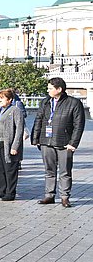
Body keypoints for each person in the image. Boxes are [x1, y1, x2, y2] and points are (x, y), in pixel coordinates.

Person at [31, 77, 85, 207]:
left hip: (64, 142)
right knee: (49, 170)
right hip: (46, 141)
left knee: (65, 171)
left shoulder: (73, 103)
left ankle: (64, 197)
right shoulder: (45, 102)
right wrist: (36, 139)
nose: (47, 90)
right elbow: (38, 120)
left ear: (59, 89)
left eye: (50, 88)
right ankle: (49, 195)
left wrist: (73, 143)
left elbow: (79, 124)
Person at [0, 89, 25, 201]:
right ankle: (1, 191)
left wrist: (15, 146)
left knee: (9, 169)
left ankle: (10, 193)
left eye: (2, 98)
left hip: (9, 144)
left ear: (9, 100)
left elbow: (19, 129)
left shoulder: (15, 110)